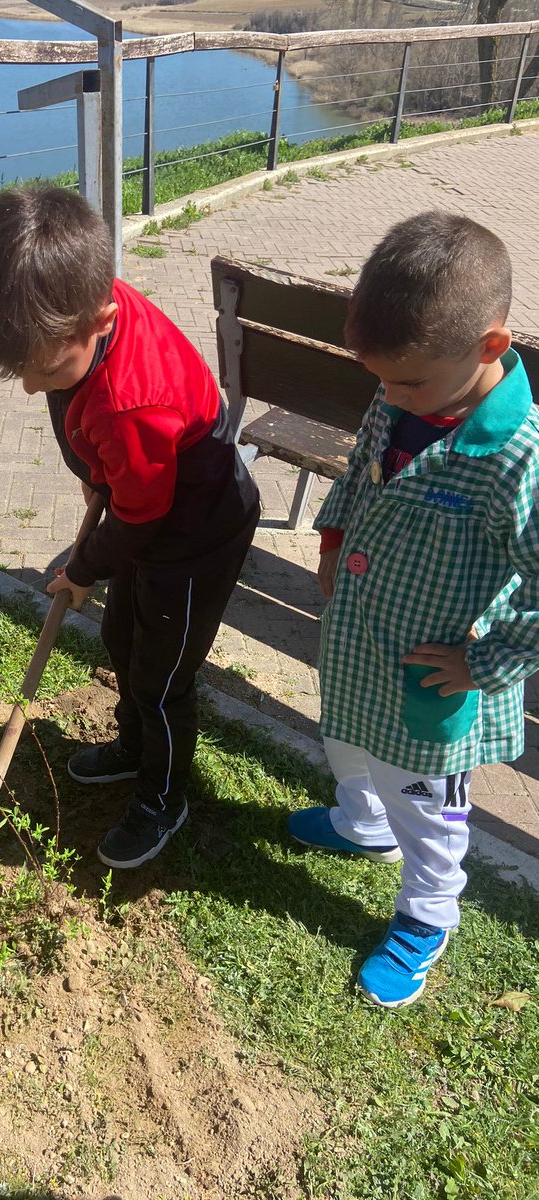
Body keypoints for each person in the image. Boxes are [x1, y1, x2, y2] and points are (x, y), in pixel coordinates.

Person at [0, 186, 260, 869]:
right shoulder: (73, 302)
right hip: (144, 515)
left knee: (162, 679)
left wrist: (83, 567)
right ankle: (132, 748)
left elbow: (140, 515)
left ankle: (163, 797)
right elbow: (123, 493)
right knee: (124, 640)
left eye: (45, 371)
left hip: (191, 537)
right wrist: (99, 480)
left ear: (100, 315)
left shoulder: (130, 403)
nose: (34, 389)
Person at [289, 210, 539, 1007]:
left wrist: (484, 662)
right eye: (380, 380)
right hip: (360, 636)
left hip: (433, 676)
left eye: (408, 383)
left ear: (490, 347)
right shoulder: (403, 391)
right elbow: (360, 465)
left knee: (426, 806)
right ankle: (360, 824)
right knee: (346, 742)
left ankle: (426, 917)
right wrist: (331, 536)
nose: (389, 397)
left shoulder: (517, 456)